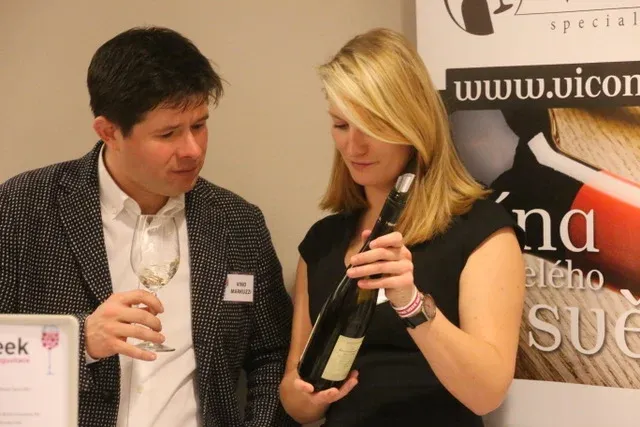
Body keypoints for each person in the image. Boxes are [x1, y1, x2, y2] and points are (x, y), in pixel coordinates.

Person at [0, 26, 298, 427]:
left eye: (199, 125)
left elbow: (272, 355)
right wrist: (80, 341)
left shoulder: (236, 222)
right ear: (109, 132)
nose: (192, 149)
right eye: (168, 133)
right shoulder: (22, 207)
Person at [279, 28, 526, 426]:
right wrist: (308, 396)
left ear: (413, 125)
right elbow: (296, 401)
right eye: (341, 125)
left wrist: (411, 304)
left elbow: (486, 394)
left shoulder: (480, 231)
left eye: (372, 127)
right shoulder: (322, 243)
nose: (354, 147)